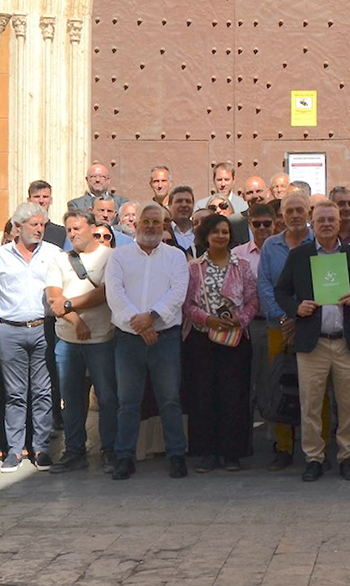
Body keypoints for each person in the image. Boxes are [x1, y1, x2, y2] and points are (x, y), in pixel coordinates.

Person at [276, 200, 350, 482]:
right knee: (311, 404)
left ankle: (346, 457)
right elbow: (281, 291)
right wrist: (296, 308)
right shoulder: (299, 256)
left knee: (349, 405)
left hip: (346, 341)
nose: (327, 224)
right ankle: (314, 457)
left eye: (332, 219)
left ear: (340, 223)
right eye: (321, 220)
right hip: (312, 341)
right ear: (312, 224)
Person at [109, 204, 191, 480]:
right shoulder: (119, 256)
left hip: (165, 338)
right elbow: (115, 294)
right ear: (136, 224)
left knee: (169, 400)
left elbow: (178, 293)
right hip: (129, 339)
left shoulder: (176, 257)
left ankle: (176, 455)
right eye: (146, 221)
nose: (151, 227)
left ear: (164, 226)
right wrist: (140, 324)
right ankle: (124, 457)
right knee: (128, 402)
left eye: (157, 222)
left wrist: (152, 318)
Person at [181, 212, 257, 473]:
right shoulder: (194, 268)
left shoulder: (243, 266)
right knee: (204, 396)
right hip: (203, 340)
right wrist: (207, 319)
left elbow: (252, 300)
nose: (221, 236)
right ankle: (208, 452)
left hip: (236, 341)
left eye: (225, 232)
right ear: (206, 236)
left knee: (233, 396)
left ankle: (232, 453)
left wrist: (241, 320)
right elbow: (187, 304)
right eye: (216, 232)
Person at [45, 209, 117, 474]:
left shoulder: (111, 257)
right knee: (72, 399)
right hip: (67, 339)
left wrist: (69, 303)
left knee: (108, 397)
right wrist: (76, 321)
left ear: (91, 227)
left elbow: (105, 293)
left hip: (102, 339)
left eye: (77, 228)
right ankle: (74, 451)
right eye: (69, 229)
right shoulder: (59, 260)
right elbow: (53, 299)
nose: (72, 234)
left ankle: (110, 450)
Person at [0, 203, 57, 471]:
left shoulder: (53, 253)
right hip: (10, 330)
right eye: (34, 225)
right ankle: (14, 449)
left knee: (42, 392)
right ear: (18, 228)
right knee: (15, 394)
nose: (39, 230)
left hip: (43, 328)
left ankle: (41, 448)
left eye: (42, 225)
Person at [254, 192, 313, 471]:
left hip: (313, 324)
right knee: (280, 385)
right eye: (289, 212)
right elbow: (265, 285)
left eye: (300, 210)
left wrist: (301, 317)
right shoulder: (270, 246)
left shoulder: (318, 243)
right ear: (282, 217)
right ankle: (283, 447)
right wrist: (284, 318)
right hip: (278, 326)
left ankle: (317, 446)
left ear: (309, 212)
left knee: (315, 387)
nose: (295, 216)